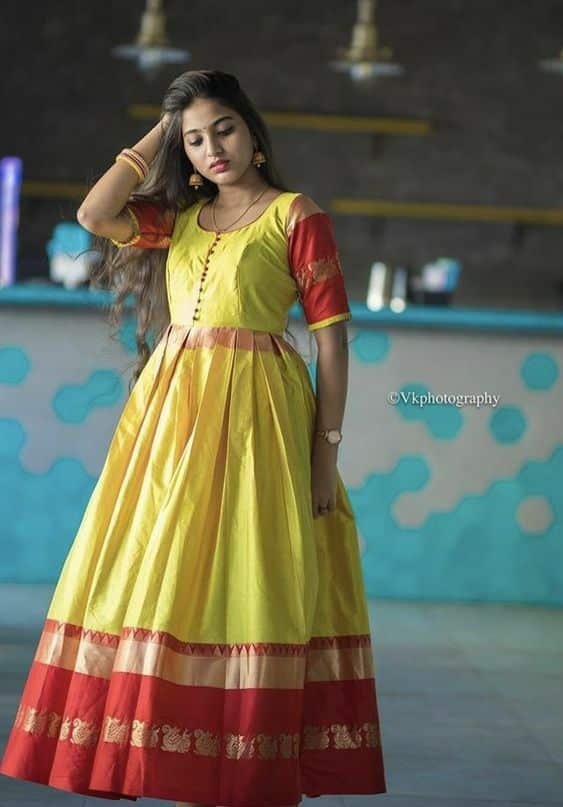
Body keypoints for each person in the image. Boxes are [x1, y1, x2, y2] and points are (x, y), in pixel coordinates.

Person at [0, 69, 386, 807]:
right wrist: (165, 125)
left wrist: (324, 454)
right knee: (162, 571)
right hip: (168, 425)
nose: (213, 149)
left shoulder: (295, 215)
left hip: (258, 421)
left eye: (225, 129)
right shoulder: (178, 219)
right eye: (197, 140)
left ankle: (237, 765)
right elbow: (94, 212)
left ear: (254, 133)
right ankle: (168, 755)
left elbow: (333, 344)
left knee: (248, 572)